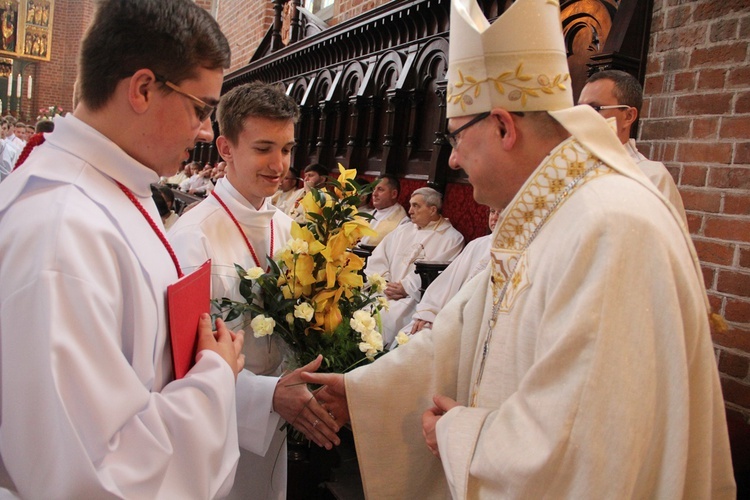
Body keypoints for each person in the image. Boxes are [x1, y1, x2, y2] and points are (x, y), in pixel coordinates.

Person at [303, 0, 736, 497]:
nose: (457, 159)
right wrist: (363, 392)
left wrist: (458, 432)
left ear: (505, 127)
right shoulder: (539, 216)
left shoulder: (609, 226)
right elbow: (460, 333)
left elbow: (583, 440)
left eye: (456, 139)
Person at [0, 0, 247, 497]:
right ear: (142, 89)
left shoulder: (113, 188)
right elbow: (92, 473)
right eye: (200, 109)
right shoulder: (63, 233)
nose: (205, 132)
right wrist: (214, 377)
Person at [168, 82, 339, 500]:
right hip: (222, 425)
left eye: (286, 148)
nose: (279, 164)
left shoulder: (288, 227)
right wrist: (266, 396)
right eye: (264, 148)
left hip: (281, 421)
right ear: (225, 148)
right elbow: (182, 355)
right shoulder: (194, 236)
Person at [578, 69, 688, 224]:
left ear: (628, 116)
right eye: (580, 109)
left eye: (595, 109)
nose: (582, 117)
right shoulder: (568, 166)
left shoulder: (651, 178)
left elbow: (666, 245)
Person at [365, 186, 464, 344]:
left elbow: (441, 273)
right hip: (386, 290)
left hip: (415, 296)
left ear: (432, 210)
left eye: (416, 206)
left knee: (387, 317)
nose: (410, 211)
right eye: (410, 205)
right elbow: (379, 256)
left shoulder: (451, 238)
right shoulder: (403, 230)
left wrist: (406, 287)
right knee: (360, 307)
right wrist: (383, 282)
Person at [402, 207, 499, 336]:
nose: (494, 218)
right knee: (413, 335)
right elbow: (448, 282)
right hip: (453, 313)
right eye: (492, 212)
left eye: (501, 212)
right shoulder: (477, 244)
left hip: (480, 325)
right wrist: (429, 312)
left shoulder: (523, 254)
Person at [359, 173, 409, 247]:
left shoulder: (403, 223)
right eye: (373, 189)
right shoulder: (366, 216)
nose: (374, 194)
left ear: (394, 194)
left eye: (380, 189)